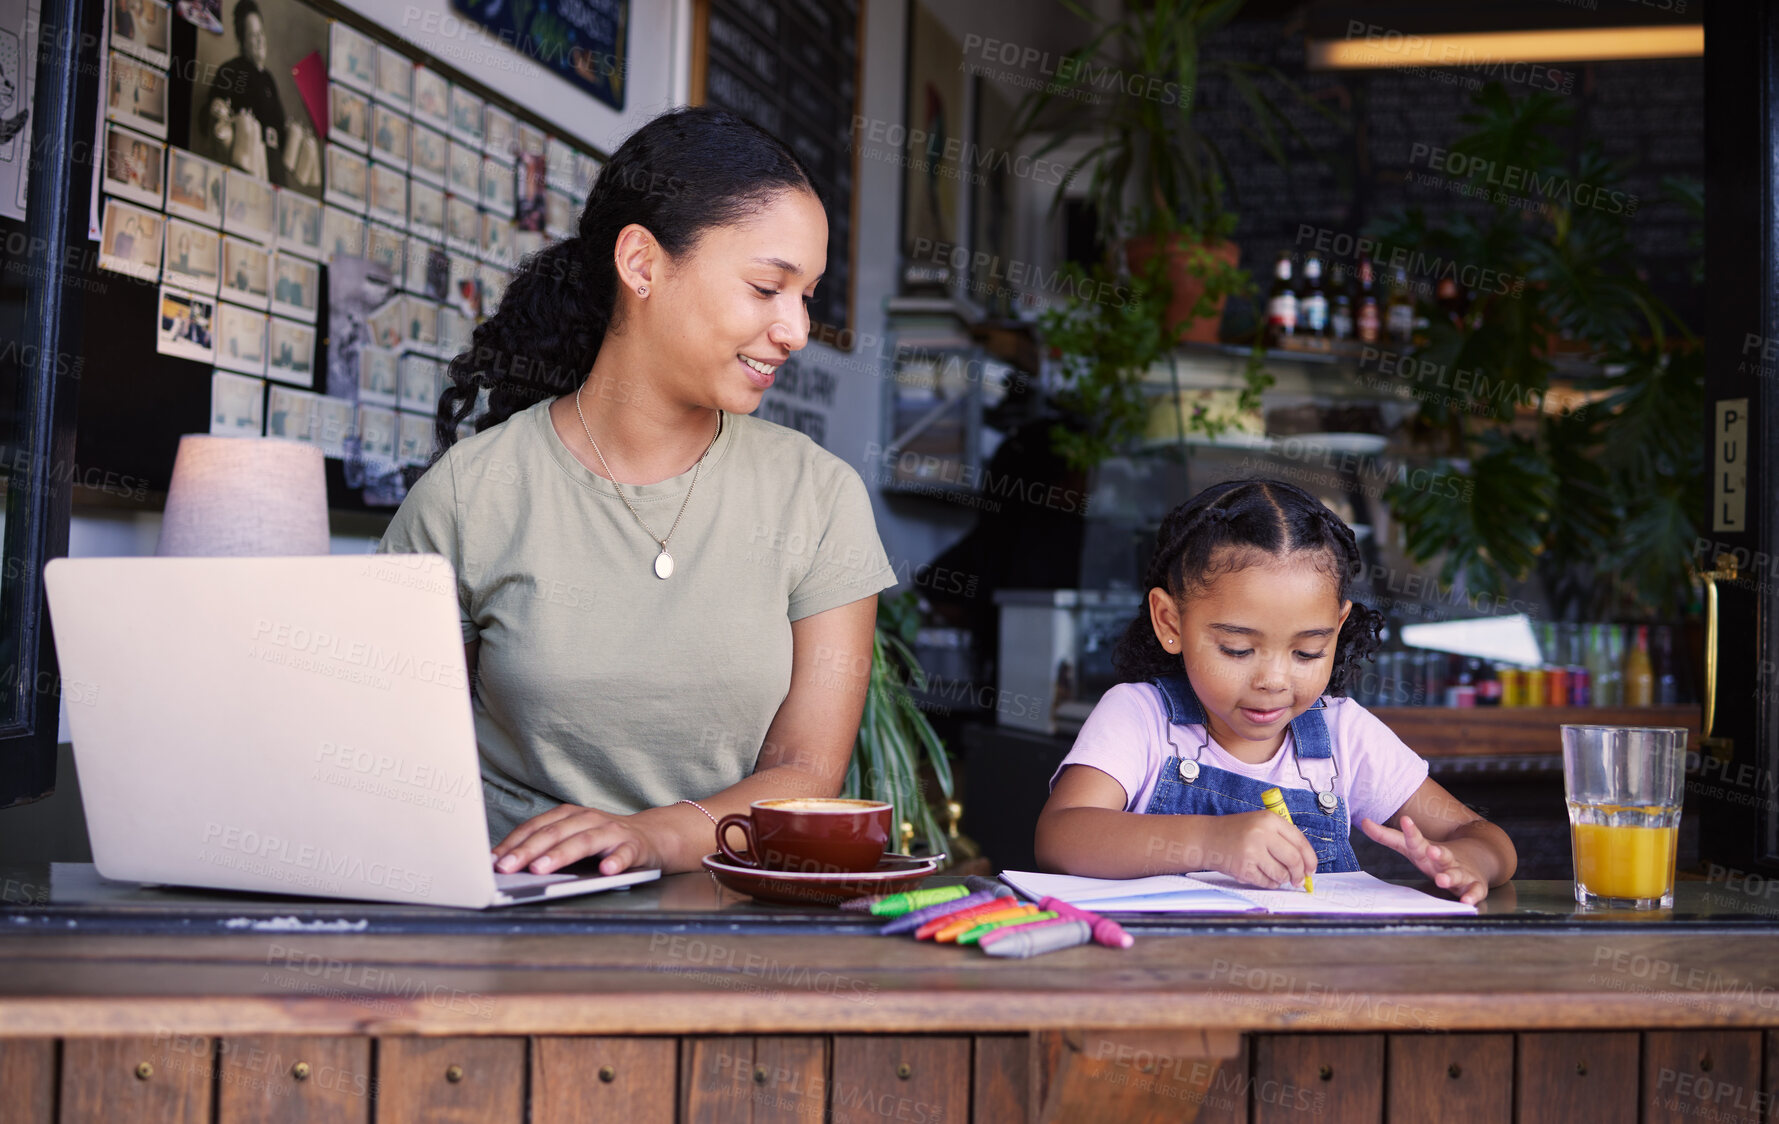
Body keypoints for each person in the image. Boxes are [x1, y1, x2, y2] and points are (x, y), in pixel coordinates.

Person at [378, 106, 895, 879]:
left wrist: (651, 839)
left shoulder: (817, 497)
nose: (794, 329)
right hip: (513, 908)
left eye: (807, 295)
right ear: (642, 264)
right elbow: (390, 747)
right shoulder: (470, 493)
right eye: (765, 287)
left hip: (728, 919)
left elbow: (804, 774)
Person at [1035, 479, 1516, 904]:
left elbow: (1480, 834)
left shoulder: (1342, 735)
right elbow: (1062, 835)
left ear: (1338, 626)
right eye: (1238, 649)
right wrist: (1210, 841)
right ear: (1170, 621)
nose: (1274, 680)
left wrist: (1468, 860)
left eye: (1307, 652)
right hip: (1165, 986)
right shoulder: (1139, 718)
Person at [199, 0, 316, 189]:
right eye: (253, 36)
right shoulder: (231, 71)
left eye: (261, 33)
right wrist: (216, 108)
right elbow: (209, 116)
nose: (260, 40)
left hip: (274, 169)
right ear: (242, 41)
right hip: (247, 168)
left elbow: (278, 127)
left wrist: (293, 132)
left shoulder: (268, 78)